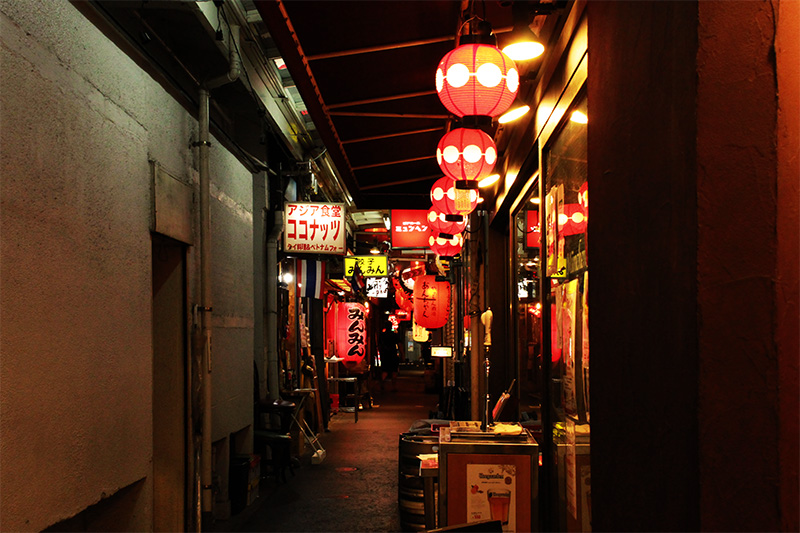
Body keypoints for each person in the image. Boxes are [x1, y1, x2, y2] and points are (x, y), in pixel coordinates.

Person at [378, 320, 401, 392]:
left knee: (385, 370)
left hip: (385, 354)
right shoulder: (394, 335)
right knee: (394, 371)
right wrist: (402, 354)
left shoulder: (382, 335)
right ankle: (393, 387)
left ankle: (382, 384)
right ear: (391, 326)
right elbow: (399, 345)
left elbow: (379, 345)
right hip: (393, 354)